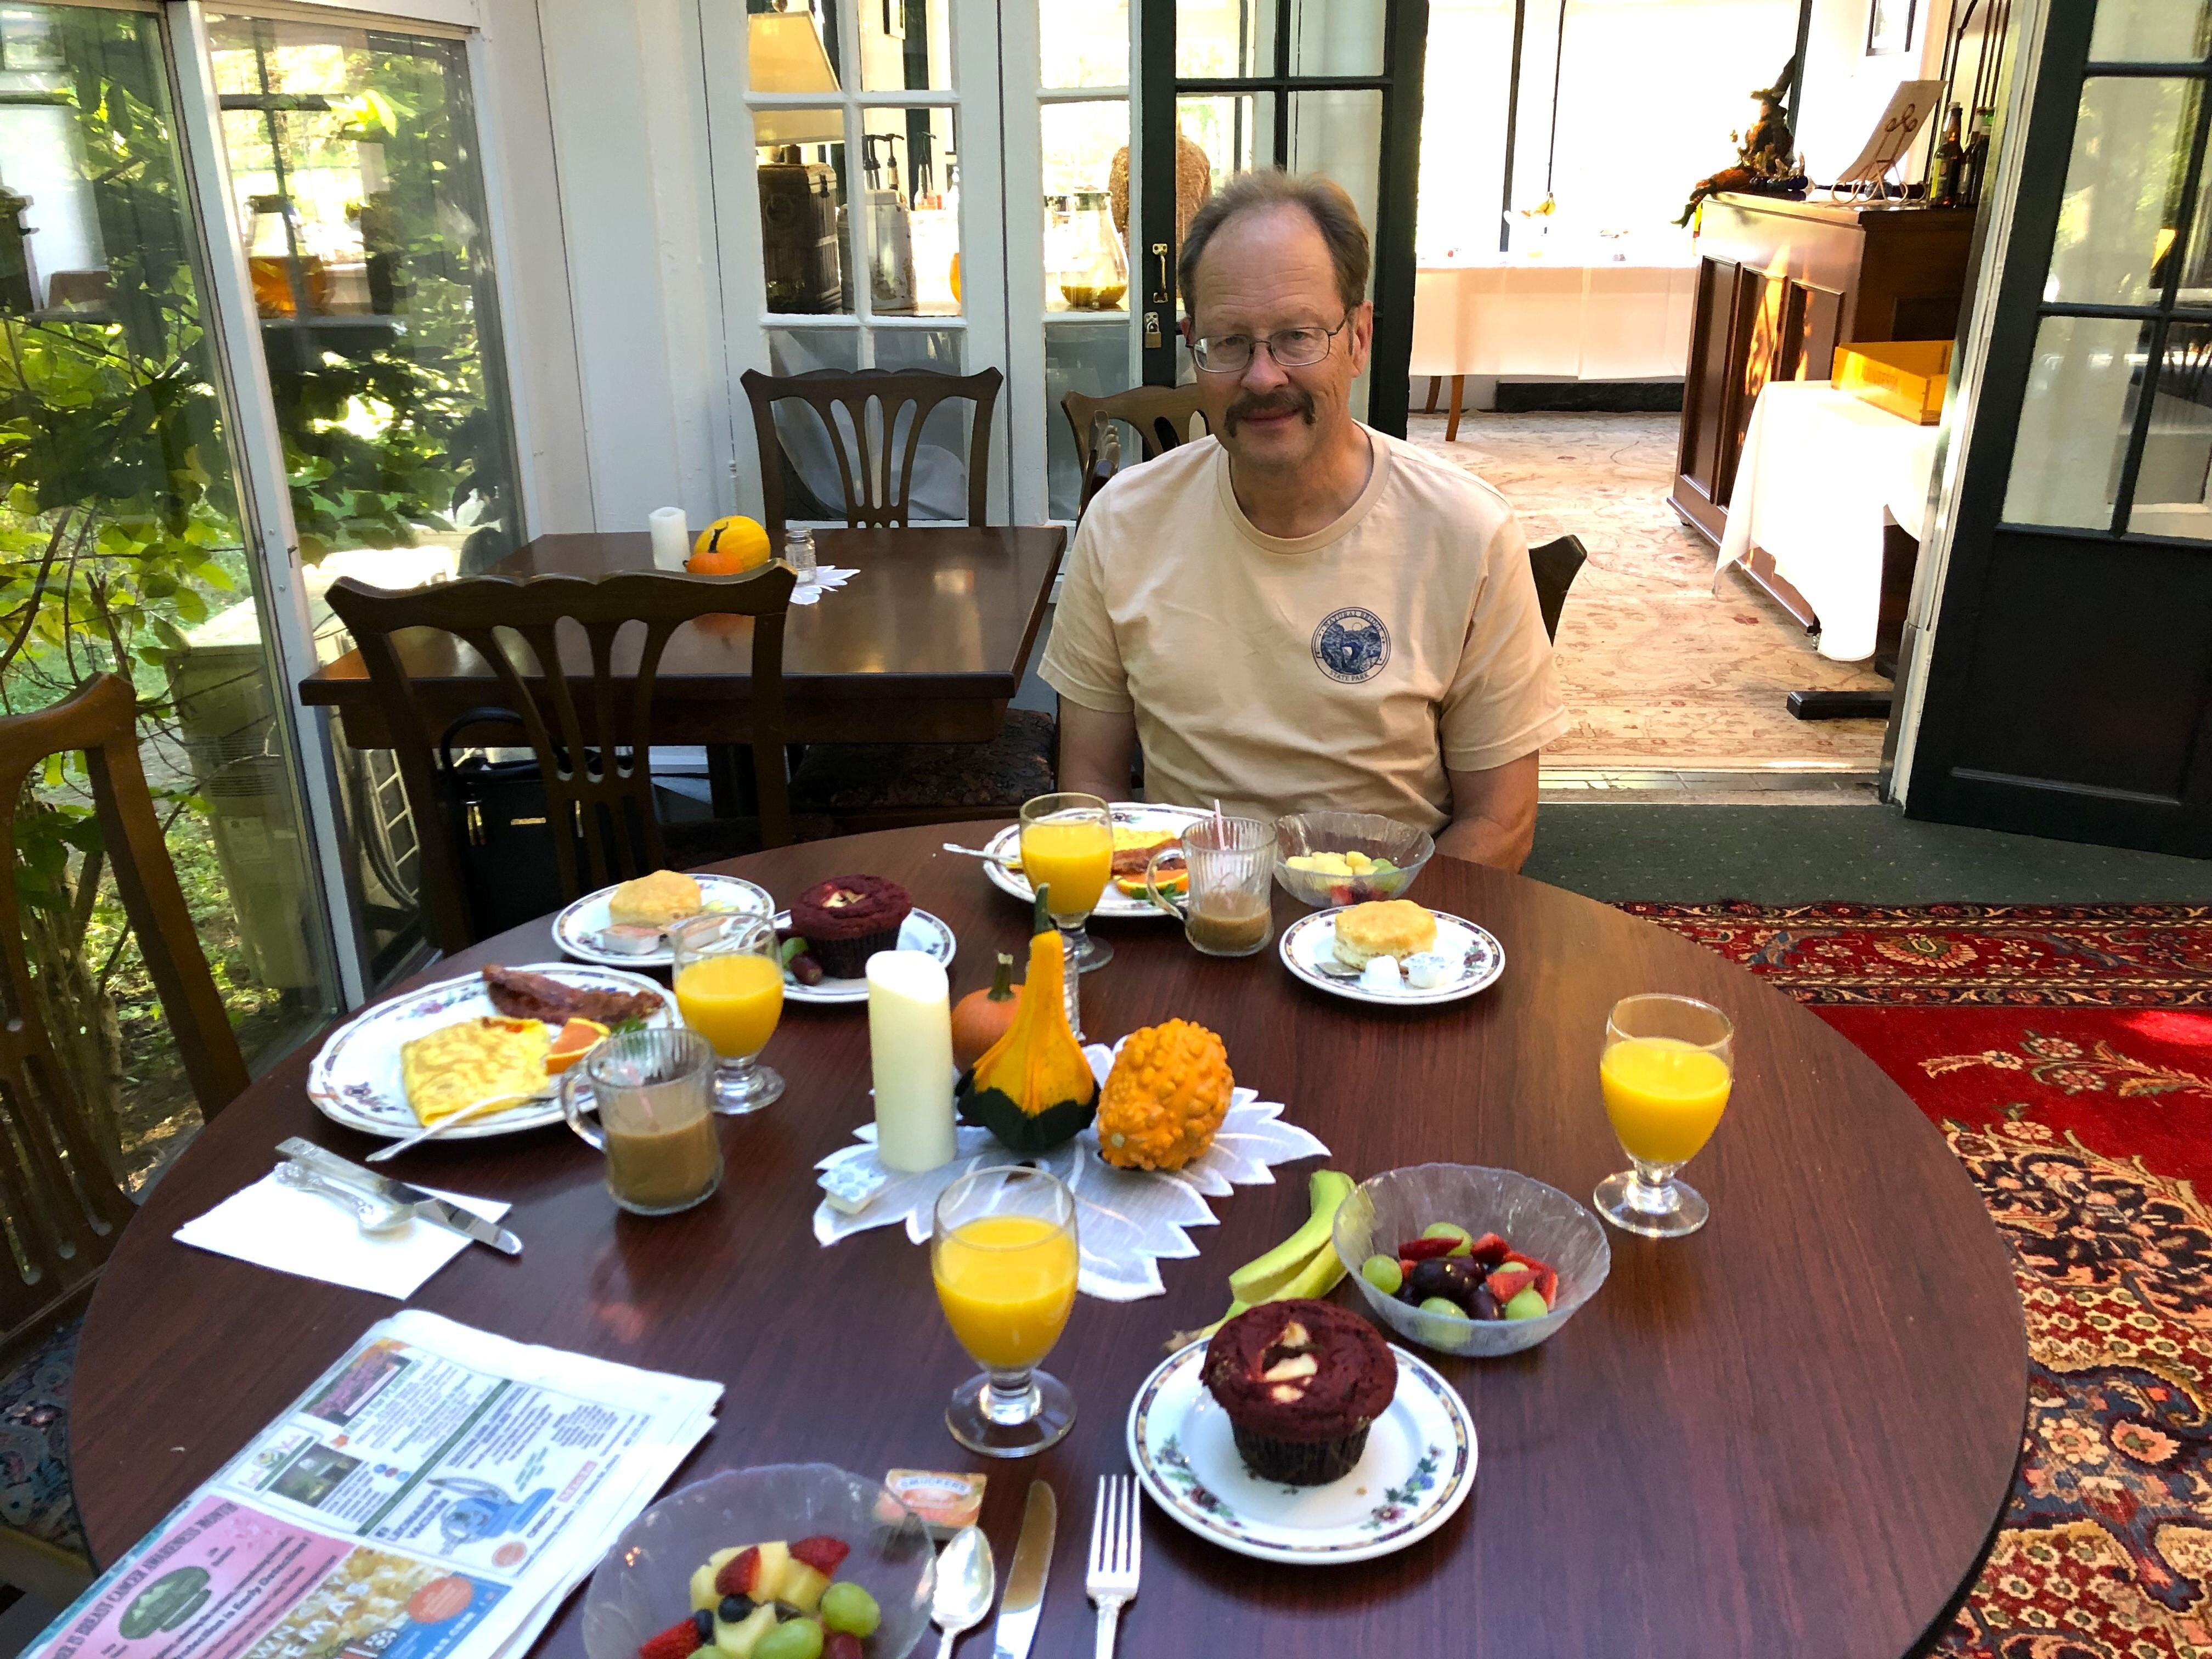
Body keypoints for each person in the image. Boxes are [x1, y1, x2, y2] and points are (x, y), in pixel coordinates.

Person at [1039, 170, 1568, 871]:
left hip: (1383, 945)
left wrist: (1365, 941)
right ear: (1194, 348)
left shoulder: (1467, 533)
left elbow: (1501, 819)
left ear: (1359, 337)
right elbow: (1093, 785)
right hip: (1183, 916)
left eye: (1296, 336)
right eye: (1229, 342)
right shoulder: (1123, 524)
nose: (1262, 377)